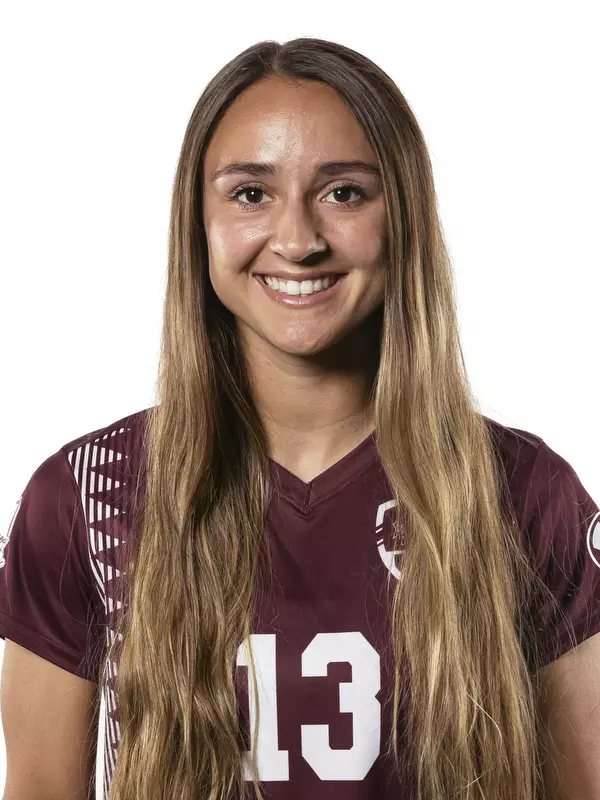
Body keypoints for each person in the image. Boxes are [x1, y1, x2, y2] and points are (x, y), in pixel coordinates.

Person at [1, 36, 599, 800]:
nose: (297, 240)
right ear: (198, 221)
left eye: (344, 193)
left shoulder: (523, 493)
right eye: (251, 194)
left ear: (403, 216)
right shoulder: (86, 496)